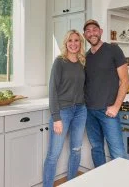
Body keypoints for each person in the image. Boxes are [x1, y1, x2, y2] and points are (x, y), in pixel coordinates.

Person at [83, 19, 129, 167]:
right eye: (88, 31)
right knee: (97, 149)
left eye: (94, 29)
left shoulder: (113, 50)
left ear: (101, 31)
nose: (92, 33)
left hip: (108, 111)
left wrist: (116, 106)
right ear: (85, 35)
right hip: (89, 111)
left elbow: (125, 81)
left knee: (117, 153)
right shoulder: (86, 57)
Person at [43, 29, 87, 187]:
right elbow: (52, 89)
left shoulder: (83, 62)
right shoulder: (59, 62)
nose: (73, 44)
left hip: (81, 111)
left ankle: (71, 183)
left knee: (76, 150)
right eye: (70, 40)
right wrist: (56, 117)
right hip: (63, 112)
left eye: (77, 40)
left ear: (80, 43)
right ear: (66, 43)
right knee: (53, 155)